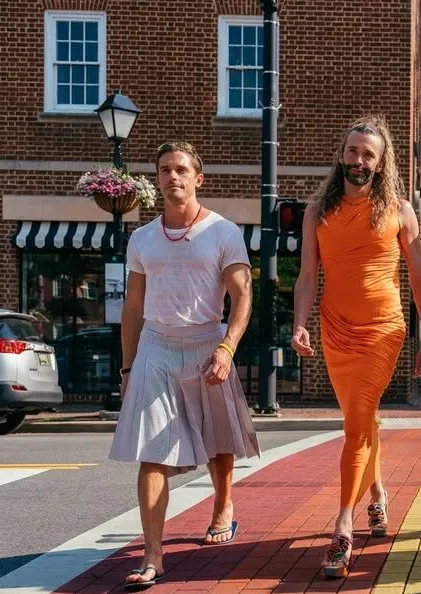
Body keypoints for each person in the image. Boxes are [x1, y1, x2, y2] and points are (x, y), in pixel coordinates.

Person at [110, 141, 260, 591]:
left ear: (198, 178)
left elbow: (242, 295)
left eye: (180, 169)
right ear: (156, 179)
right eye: (163, 170)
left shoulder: (223, 232)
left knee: (218, 438)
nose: (171, 177)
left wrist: (227, 347)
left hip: (207, 343)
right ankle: (153, 557)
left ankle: (223, 506)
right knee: (151, 453)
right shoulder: (142, 238)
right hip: (156, 346)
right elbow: (133, 308)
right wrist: (127, 368)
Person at [290, 116, 421, 578]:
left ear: (381, 161)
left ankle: (342, 526)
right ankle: (376, 495)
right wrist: (299, 323)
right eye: (353, 152)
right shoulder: (319, 209)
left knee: (355, 425)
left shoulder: (398, 208)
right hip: (334, 328)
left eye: (368, 154)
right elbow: (308, 275)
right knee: (362, 418)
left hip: (382, 329)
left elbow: (418, 276)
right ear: (342, 155)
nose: (358, 161)